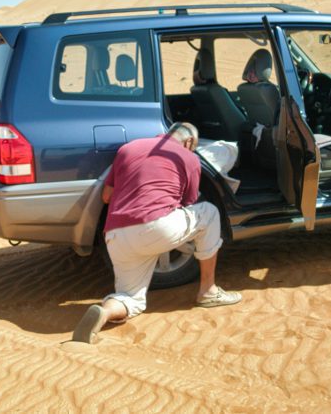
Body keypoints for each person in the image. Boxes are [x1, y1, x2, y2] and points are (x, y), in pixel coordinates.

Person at [72, 122, 241, 343]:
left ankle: (105, 312)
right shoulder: (188, 157)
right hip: (156, 227)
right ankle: (208, 291)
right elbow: (189, 201)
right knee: (209, 213)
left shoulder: (128, 148)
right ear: (189, 142)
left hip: (115, 235)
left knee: (130, 298)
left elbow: (106, 196)